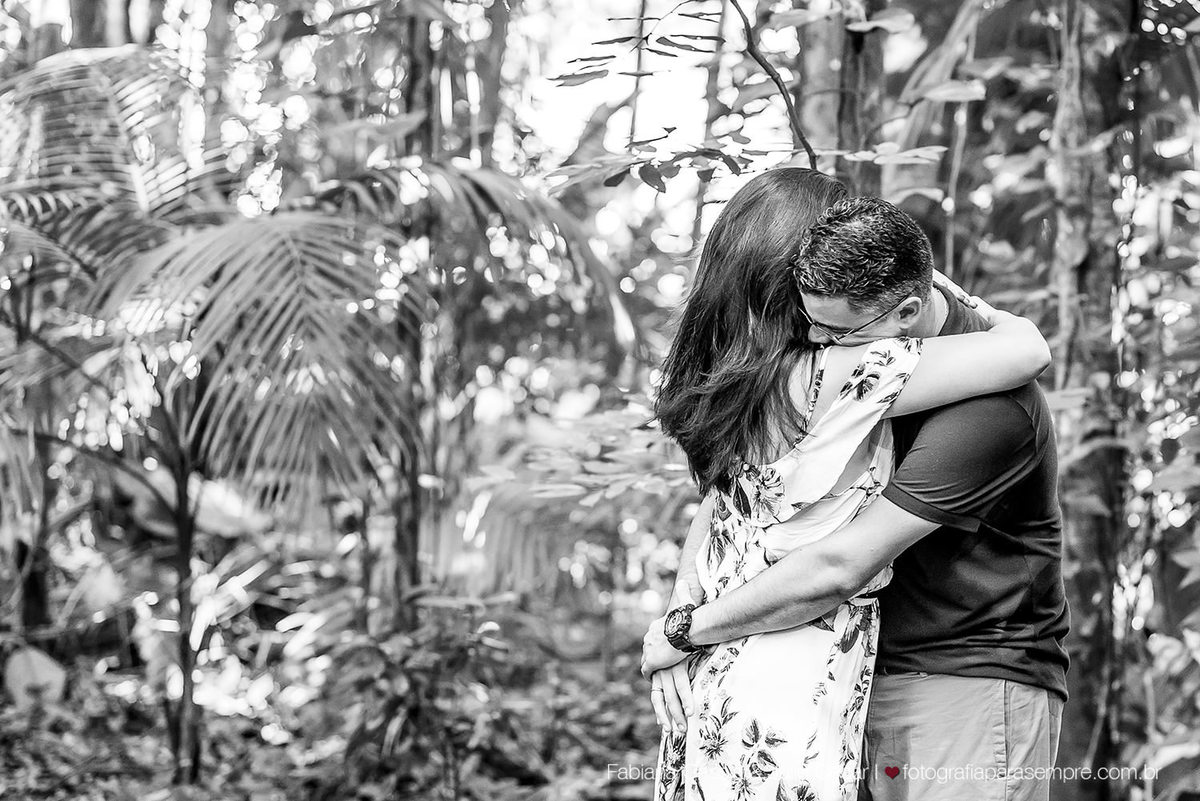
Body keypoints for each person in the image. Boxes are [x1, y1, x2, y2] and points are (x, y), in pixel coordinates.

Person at [643, 184, 1063, 801]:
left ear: (903, 309)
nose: (816, 335)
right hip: (827, 664)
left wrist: (682, 628)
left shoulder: (986, 404)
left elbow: (840, 562)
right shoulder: (823, 365)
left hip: (958, 675)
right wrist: (685, 622)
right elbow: (1029, 345)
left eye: (831, 323)